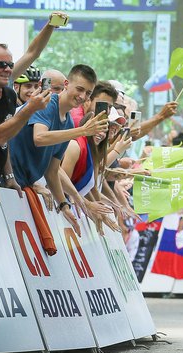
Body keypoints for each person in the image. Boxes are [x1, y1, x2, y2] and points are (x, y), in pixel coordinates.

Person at [9, 64, 108, 233]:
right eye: (80, 89)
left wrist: (64, 204)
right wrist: (82, 131)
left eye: (88, 93)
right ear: (66, 84)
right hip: (9, 183)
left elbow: (52, 171)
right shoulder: (47, 103)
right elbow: (39, 138)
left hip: (24, 189)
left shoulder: (68, 122)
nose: (82, 96)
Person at [0, 43, 51, 189]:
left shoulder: (9, 94)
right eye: (1, 64)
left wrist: (9, 176)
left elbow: (4, 140)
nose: (7, 69)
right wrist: (30, 108)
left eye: (10, 65)